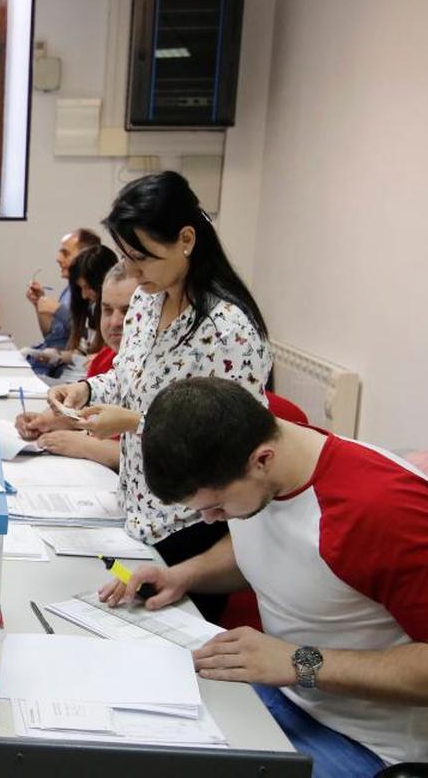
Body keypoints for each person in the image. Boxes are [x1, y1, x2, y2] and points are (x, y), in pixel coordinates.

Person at [102, 377, 428, 774]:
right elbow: (282, 547)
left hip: (373, 747)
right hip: (286, 693)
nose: (210, 520)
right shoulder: (261, 470)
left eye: (218, 508)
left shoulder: (381, 511)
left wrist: (299, 663)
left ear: (262, 460)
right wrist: (184, 574)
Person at [41, 172, 271, 622]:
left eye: (143, 258)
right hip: (136, 512)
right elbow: (127, 379)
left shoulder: (229, 329)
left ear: (186, 239)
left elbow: (230, 444)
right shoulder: (148, 299)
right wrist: (86, 388)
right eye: (127, 258)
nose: (133, 272)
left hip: (191, 526)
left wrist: (131, 423)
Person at [16, 262, 139, 470]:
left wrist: (84, 445)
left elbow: (145, 454)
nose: (115, 321)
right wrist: (46, 421)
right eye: (107, 310)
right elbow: (89, 415)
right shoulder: (104, 358)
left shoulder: (157, 370)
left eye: (127, 311)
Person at [31, 243, 118, 370]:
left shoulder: (116, 314)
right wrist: (58, 356)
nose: (83, 295)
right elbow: (84, 353)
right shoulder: (90, 308)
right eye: (80, 288)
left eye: (87, 287)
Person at [25, 228, 98, 372]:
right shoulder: (70, 290)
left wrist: (59, 311)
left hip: (65, 371)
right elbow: (52, 336)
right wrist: (38, 303)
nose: (58, 258)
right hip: (50, 363)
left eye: (65, 253)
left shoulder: (91, 293)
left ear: (85, 256)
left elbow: (91, 339)